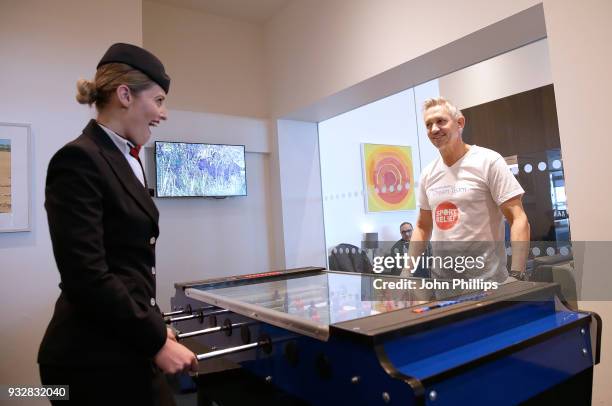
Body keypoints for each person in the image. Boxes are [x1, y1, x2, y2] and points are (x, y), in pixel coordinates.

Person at [38, 43, 197, 405]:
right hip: (87, 362)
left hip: (124, 343)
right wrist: (154, 339)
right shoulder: (78, 159)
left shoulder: (127, 158)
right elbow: (87, 275)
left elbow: (128, 267)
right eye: (158, 101)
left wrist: (157, 327)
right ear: (125, 95)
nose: (164, 113)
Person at [404, 97, 530, 283]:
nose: (434, 129)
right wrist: (407, 271)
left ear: (460, 123)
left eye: (441, 121)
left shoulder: (489, 161)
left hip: (488, 282)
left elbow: (518, 218)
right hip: (443, 285)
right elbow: (423, 227)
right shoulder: (428, 174)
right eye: (428, 124)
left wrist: (517, 274)